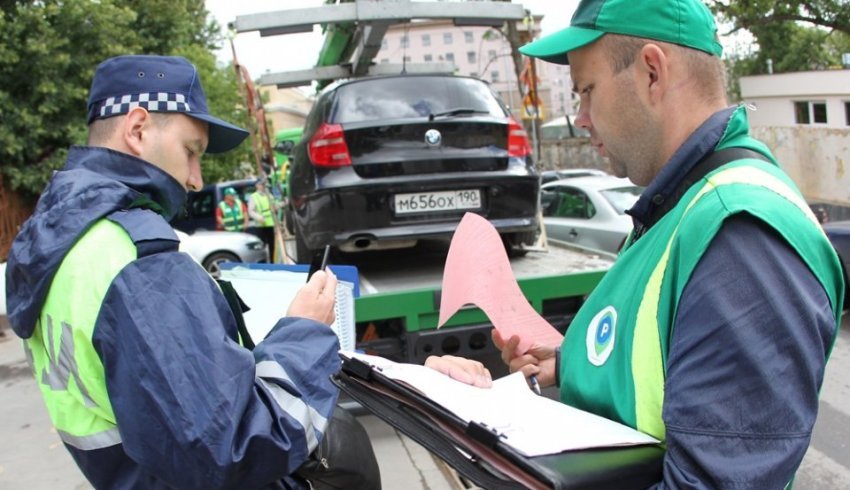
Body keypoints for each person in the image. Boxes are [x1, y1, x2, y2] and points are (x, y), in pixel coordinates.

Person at [427, 0, 844, 488]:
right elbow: (659, 363)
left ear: (651, 72)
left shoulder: (738, 233)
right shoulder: (682, 207)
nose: (580, 117)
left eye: (587, 90)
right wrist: (568, 363)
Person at [4, 55, 350, 489]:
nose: (196, 179)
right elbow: (234, 450)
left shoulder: (62, 243)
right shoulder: (140, 261)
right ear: (137, 129)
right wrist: (303, 331)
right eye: (191, 151)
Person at [248, 179, 277, 258]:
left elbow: (274, 207)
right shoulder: (253, 196)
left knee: (272, 246)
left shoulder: (269, 195)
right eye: (261, 185)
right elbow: (251, 211)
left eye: (264, 185)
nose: (263, 186)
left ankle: (272, 262)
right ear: (257, 186)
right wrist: (258, 217)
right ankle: (263, 262)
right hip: (260, 225)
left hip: (270, 223)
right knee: (261, 246)